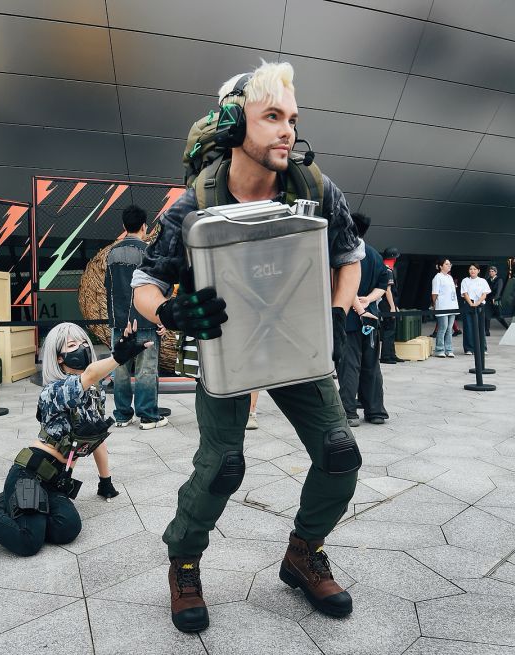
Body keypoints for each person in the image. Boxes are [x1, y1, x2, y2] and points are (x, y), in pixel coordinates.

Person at [132, 61, 363, 633]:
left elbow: (349, 257)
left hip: (300, 350)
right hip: (227, 352)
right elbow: (144, 283)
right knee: (222, 467)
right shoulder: (193, 205)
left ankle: (304, 553)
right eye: (273, 117)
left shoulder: (315, 188)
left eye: (293, 119)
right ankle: (184, 562)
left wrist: (336, 315)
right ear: (235, 124)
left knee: (340, 454)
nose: (288, 131)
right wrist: (167, 312)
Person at [0, 322, 149, 555]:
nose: (82, 348)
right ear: (59, 358)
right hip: (29, 475)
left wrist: (105, 481)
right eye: (72, 345)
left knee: (67, 527)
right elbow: (89, 375)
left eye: (84, 343)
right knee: (28, 540)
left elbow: (97, 438)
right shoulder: (54, 391)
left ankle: (3, 505)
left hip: (55, 483)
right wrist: (118, 357)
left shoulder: (95, 393)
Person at [106, 204, 170, 432]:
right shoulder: (150, 253)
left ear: (124, 226)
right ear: (144, 226)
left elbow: (108, 288)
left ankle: (122, 415)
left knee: (120, 368)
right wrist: (161, 318)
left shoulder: (112, 254)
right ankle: (147, 416)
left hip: (119, 322)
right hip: (146, 321)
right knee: (146, 370)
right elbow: (160, 287)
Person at [337, 212, 389, 427]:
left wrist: (359, 308)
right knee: (371, 365)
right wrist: (368, 300)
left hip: (350, 320)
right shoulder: (374, 254)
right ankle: (375, 411)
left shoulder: (344, 253)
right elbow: (383, 284)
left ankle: (349, 412)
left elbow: (343, 287)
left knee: (349, 366)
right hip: (371, 319)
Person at [379, 247, 404, 364]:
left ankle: (392, 354)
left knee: (391, 330)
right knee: (389, 330)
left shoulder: (383, 268)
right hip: (387, 304)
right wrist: (392, 307)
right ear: (393, 258)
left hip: (388, 303)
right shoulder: (388, 270)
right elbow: (387, 290)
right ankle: (386, 356)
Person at [460, 263, 491, 355]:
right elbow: (465, 293)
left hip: (480, 304)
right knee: (468, 327)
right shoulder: (465, 280)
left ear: (478, 271)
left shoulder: (483, 281)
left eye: (474, 269)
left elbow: (484, 294)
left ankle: (482, 348)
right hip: (468, 304)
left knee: (481, 327)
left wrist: (477, 303)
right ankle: (469, 349)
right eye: (470, 269)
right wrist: (471, 303)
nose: (472, 271)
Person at [430, 258, 458, 358]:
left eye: (450, 264)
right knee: (443, 328)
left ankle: (449, 350)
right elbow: (434, 293)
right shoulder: (437, 277)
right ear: (441, 266)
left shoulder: (450, 277)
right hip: (442, 306)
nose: (449, 265)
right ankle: (439, 349)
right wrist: (434, 304)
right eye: (446, 264)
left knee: (449, 329)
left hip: (452, 306)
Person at [484, 265, 510, 335]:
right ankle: (487, 331)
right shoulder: (487, 280)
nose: (491, 273)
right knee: (487, 316)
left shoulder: (499, 280)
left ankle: (508, 328)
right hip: (488, 300)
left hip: (496, 300)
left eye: (492, 271)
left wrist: (495, 298)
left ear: (496, 272)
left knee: (499, 316)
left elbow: (499, 290)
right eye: (490, 271)